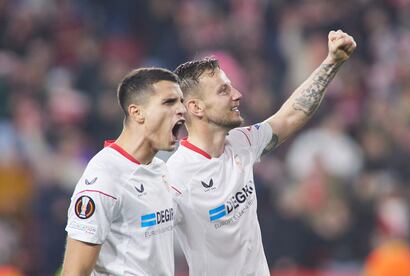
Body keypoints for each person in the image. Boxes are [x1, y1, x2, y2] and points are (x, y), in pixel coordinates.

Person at [167, 30, 356, 275]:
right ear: (196, 107)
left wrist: (332, 62)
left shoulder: (241, 141)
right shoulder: (177, 175)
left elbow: (290, 116)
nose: (237, 95)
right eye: (224, 91)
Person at [61, 68, 186, 276]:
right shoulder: (105, 177)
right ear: (137, 112)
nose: (182, 109)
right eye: (169, 102)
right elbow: (75, 272)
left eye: (181, 101)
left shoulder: (159, 169)